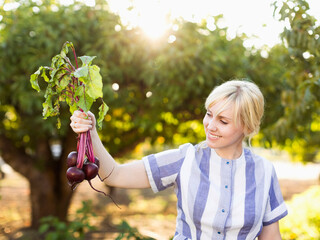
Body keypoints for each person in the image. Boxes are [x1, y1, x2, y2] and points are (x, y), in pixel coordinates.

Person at [70, 80, 288, 240]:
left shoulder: (264, 171)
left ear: (247, 127)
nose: (210, 126)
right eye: (209, 114)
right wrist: (91, 131)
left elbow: (270, 236)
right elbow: (115, 174)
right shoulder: (186, 159)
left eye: (223, 121)